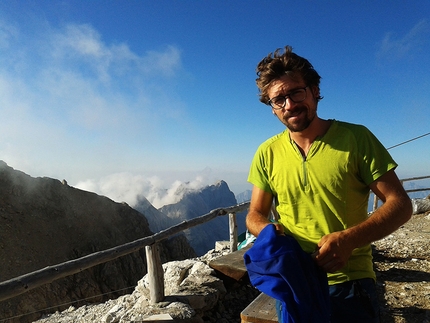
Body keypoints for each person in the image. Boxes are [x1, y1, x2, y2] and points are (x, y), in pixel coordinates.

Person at [245, 46, 412, 323]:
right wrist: (267, 230)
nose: (289, 105)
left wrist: (348, 240)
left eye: (296, 92)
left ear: (314, 90)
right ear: (272, 108)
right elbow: (254, 213)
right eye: (279, 99)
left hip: (351, 283)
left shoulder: (356, 139)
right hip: (294, 281)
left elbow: (401, 205)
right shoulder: (267, 152)